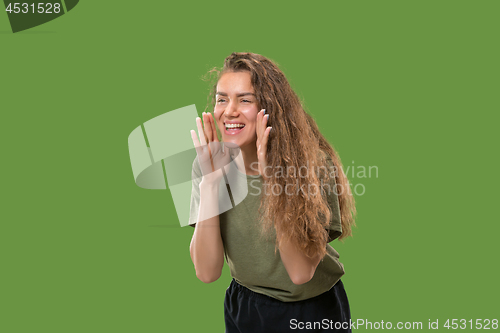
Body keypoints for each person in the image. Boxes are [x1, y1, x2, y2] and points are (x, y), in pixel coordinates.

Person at [188, 52, 357, 333]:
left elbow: (301, 273)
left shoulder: (312, 165)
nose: (229, 111)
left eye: (245, 100)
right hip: (244, 303)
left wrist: (273, 181)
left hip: (309, 309)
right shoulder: (209, 164)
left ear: (270, 108)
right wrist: (210, 184)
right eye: (221, 99)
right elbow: (207, 272)